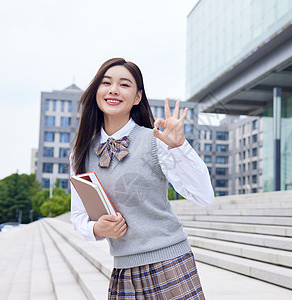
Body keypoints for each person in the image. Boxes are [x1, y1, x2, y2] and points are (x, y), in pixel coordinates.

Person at [70, 57, 214, 299]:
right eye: (106, 83)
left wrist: (179, 147)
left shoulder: (157, 141)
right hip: (123, 271)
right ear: (97, 91)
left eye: (124, 84)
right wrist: (97, 228)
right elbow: (78, 215)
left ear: (137, 97)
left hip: (170, 264)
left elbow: (204, 196)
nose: (114, 89)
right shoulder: (82, 151)